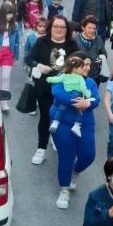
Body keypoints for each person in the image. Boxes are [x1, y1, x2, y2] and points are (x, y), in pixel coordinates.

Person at [50, 54, 100, 209]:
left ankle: (75, 172)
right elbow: (58, 93)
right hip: (63, 124)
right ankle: (64, 190)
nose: (87, 67)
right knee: (66, 157)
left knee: (88, 156)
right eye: (84, 64)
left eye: (89, 65)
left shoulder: (90, 82)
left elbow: (95, 99)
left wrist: (88, 103)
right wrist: (79, 101)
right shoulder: (63, 77)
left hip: (85, 125)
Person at [27, 15, 78, 165]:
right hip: (44, 88)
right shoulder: (42, 41)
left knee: (61, 118)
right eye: (56, 26)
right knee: (45, 117)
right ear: (51, 27)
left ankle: (55, 140)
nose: (59, 30)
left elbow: (80, 61)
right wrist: (38, 65)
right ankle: (41, 149)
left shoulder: (71, 45)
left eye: (62, 27)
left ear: (66, 29)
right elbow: (29, 59)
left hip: (64, 90)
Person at [0, 1, 19, 111]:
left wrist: (16, 57)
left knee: (6, 77)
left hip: (8, 53)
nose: (10, 16)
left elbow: (16, 43)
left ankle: (4, 102)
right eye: (7, 13)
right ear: (2, 13)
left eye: (12, 13)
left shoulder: (15, 26)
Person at [74, 15, 108, 86]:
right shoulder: (75, 40)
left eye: (94, 28)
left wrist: (100, 59)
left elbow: (104, 53)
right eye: (89, 28)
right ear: (83, 27)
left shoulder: (98, 39)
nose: (92, 31)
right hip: (78, 76)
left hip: (94, 76)